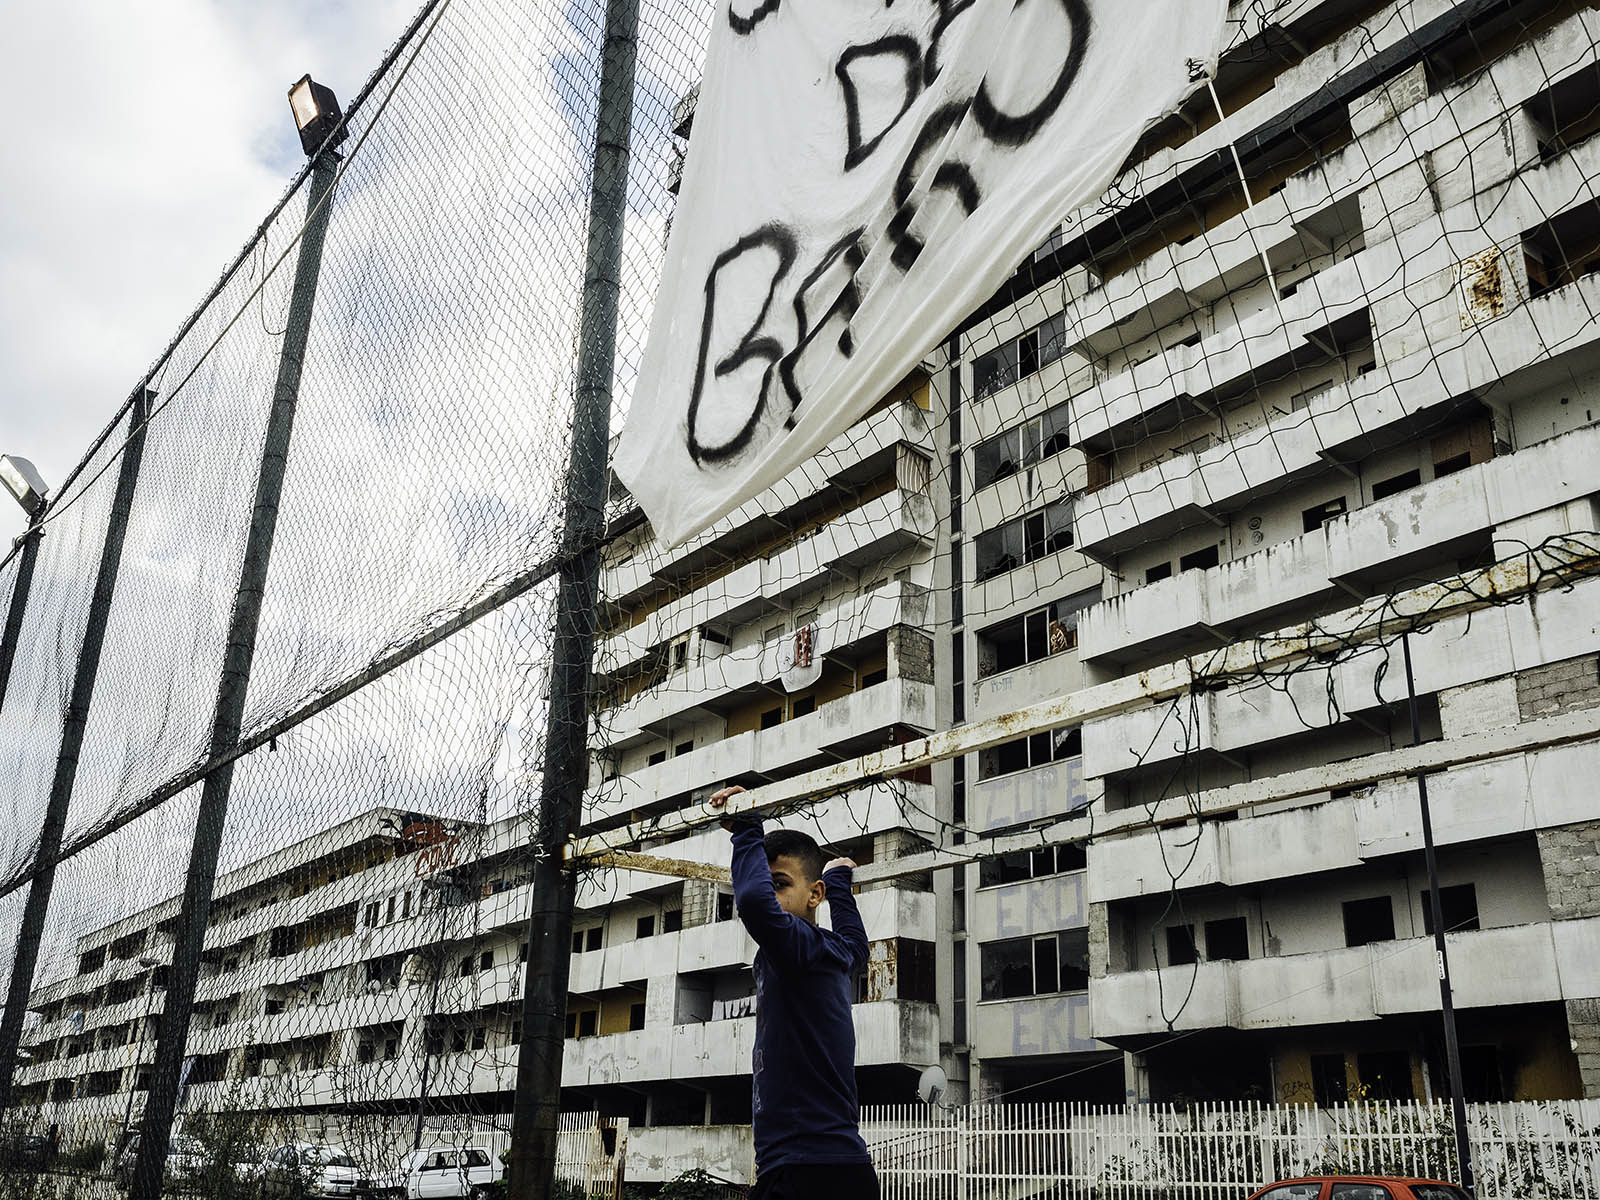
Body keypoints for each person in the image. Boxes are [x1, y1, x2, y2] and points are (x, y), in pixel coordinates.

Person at [708, 784, 878, 1200]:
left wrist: (747, 826)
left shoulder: (797, 945)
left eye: (779, 884)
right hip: (839, 1167)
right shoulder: (834, 952)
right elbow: (857, 945)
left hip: (804, 1170)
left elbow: (752, 902)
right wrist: (839, 881)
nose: (769, 893)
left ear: (812, 894)